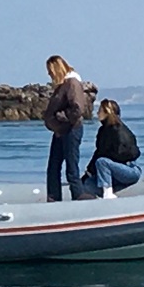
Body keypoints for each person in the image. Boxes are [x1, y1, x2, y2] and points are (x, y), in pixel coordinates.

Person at [43, 54, 92, 202]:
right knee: (53, 166)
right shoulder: (62, 85)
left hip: (71, 129)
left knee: (71, 164)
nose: (49, 74)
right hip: (60, 131)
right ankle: (53, 196)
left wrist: (60, 118)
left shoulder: (72, 83)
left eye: (50, 70)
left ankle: (77, 194)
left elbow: (77, 108)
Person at [79, 99, 141, 200]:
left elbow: (132, 153)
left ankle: (108, 192)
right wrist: (87, 174)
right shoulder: (103, 131)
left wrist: (110, 157)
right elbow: (98, 152)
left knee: (102, 162)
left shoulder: (120, 131)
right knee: (86, 185)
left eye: (100, 110)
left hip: (129, 170)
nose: (97, 113)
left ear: (107, 113)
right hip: (113, 171)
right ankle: (100, 195)